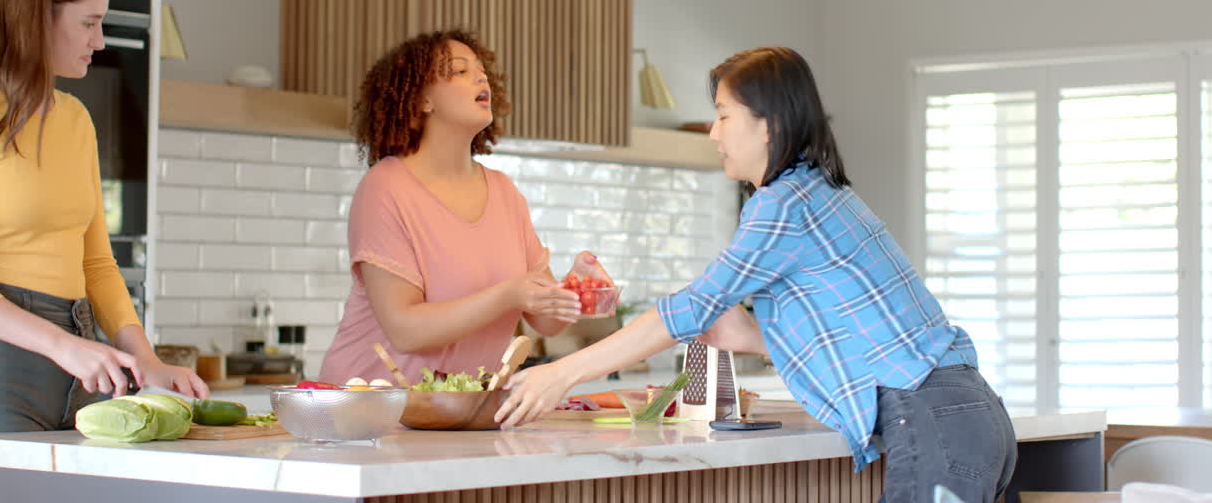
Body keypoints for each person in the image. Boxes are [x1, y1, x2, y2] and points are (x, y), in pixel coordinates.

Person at [496, 47, 1018, 503]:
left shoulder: (780, 205)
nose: (713, 132)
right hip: (968, 414)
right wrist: (752, 337)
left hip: (934, 422)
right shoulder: (818, 192)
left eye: (723, 116)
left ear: (767, 121)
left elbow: (686, 312)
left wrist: (558, 373)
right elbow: (856, 328)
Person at [0, 0, 208, 436]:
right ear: (40, 18)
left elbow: (97, 264)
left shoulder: (76, 119)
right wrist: (61, 345)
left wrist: (145, 360)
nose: (99, 41)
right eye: (89, 23)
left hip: (81, 364)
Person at [318, 29, 603, 385]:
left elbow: (545, 320)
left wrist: (578, 287)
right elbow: (405, 330)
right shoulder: (385, 187)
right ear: (422, 100)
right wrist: (508, 294)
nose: (481, 77)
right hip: (365, 414)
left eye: (481, 70)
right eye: (459, 71)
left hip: (451, 413)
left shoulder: (504, 193)